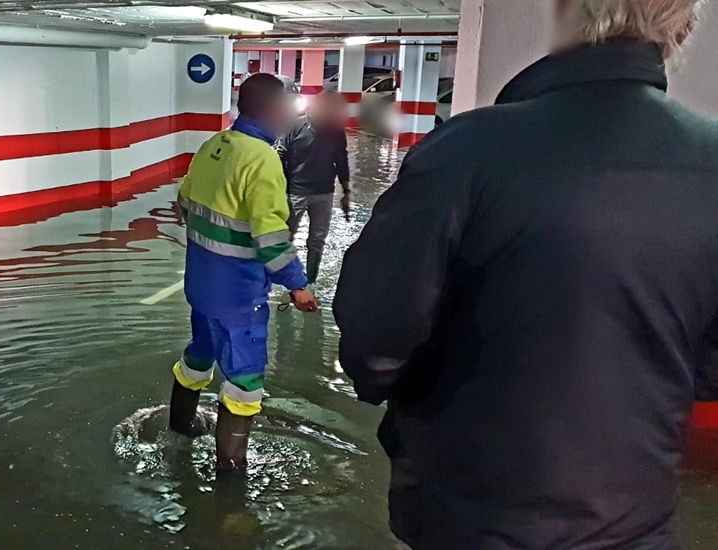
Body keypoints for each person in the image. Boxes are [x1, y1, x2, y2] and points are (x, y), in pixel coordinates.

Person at [332, 0, 718, 548]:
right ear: (684, 27)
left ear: (565, 12)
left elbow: (376, 323)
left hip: (470, 509)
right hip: (635, 514)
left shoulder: (469, 148)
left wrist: (404, 394)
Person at [168, 73, 319, 471]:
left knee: (200, 355)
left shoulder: (213, 144)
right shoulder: (262, 158)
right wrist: (298, 285)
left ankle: (180, 426)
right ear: (273, 109)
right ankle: (230, 482)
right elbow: (270, 237)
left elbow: (181, 203)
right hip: (238, 296)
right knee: (245, 381)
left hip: (200, 286)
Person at [275, 90, 352, 284]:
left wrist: (346, 192)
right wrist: (282, 189)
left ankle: (310, 282)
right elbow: (279, 155)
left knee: (317, 240)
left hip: (324, 193)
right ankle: (286, 279)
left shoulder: (336, 131)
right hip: (295, 192)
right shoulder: (296, 125)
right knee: (287, 236)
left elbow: (341, 160)